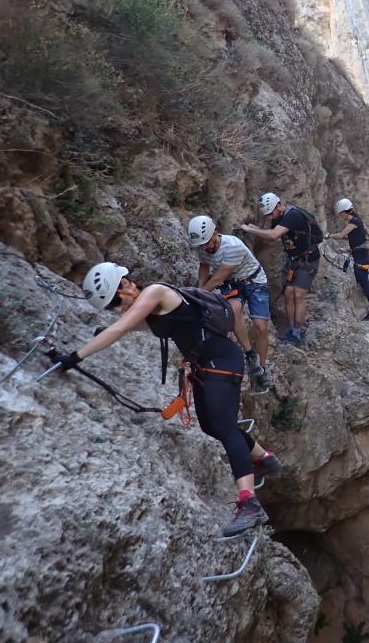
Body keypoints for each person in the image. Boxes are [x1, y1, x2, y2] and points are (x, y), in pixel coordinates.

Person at [53, 262, 282, 537]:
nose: (116, 308)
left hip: (222, 360)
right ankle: (263, 458)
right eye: (110, 307)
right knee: (210, 426)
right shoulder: (150, 309)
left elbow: (120, 329)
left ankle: (249, 502)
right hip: (205, 366)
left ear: (127, 283)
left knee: (224, 426)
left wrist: (74, 358)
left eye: (115, 300)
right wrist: (101, 335)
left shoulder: (156, 292)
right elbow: (130, 328)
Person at [188, 215, 275, 391]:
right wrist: (199, 289)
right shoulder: (203, 246)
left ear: (216, 233)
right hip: (234, 283)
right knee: (234, 309)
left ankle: (263, 369)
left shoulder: (232, 247)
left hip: (254, 281)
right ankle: (251, 355)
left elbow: (218, 277)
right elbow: (204, 267)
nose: (205, 248)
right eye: (202, 245)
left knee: (261, 326)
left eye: (208, 242)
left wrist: (198, 296)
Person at [240, 193, 322, 346]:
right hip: (293, 260)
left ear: (279, 205)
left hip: (307, 260)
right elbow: (276, 234)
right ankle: (292, 329)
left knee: (299, 295)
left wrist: (250, 230)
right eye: (268, 214)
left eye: (272, 213)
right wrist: (256, 228)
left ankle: (297, 332)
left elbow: (273, 235)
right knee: (289, 294)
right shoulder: (279, 217)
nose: (270, 217)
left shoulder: (293, 215)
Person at [328, 197, 369, 321]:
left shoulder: (354, 222)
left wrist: (328, 236)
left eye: (340, 214)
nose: (339, 216)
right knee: (361, 278)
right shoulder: (356, 220)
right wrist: (348, 249)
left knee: (363, 282)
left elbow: (342, 235)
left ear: (344, 212)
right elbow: (357, 239)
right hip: (361, 254)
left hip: (361, 257)